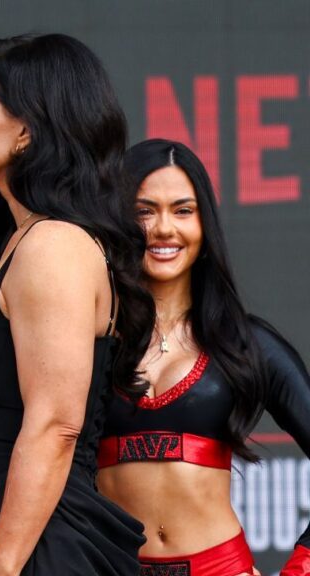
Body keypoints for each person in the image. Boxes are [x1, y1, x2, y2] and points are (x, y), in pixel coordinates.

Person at [0, 35, 157, 575]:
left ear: (26, 129)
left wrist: (0, 568)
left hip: (35, 549)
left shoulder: (55, 246)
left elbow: (55, 426)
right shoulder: (21, 242)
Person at [95, 138, 310, 576]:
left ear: (204, 227)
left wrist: (300, 568)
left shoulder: (247, 343)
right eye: (143, 211)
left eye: (182, 210)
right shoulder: (90, 336)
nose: (162, 229)